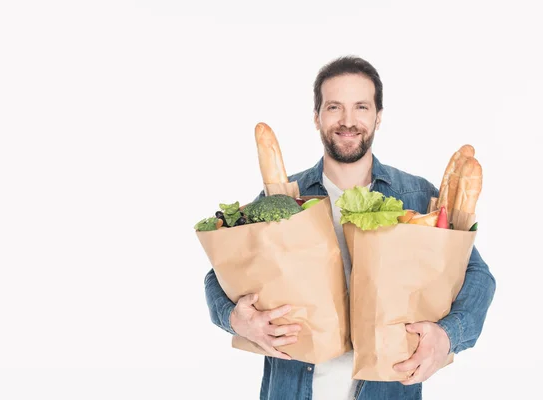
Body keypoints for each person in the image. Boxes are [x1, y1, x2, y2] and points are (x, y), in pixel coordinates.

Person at [203, 55, 496, 400]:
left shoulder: (417, 198)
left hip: (387, 390)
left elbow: (477, 275)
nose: (347, 121)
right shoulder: (279, 198)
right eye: (333, 107)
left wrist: (447, 335)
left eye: (361, 107)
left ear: (378, 117)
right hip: (293, 388)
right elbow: (220, 275)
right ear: (316, 117)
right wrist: (237, 320)